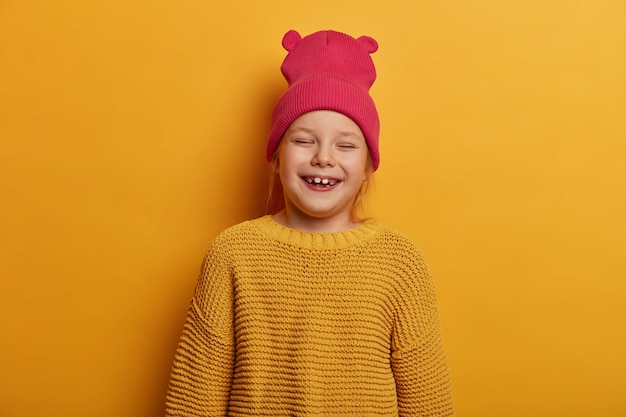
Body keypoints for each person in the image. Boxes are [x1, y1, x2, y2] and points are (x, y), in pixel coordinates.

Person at [165, 29, 455, 416]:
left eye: (346, 145)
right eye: (303, 140)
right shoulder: (233, 253)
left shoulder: (399, 262)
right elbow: (195, 396)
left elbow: (428, 401)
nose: (323, 157)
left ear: (367, 166)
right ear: (275, 156)